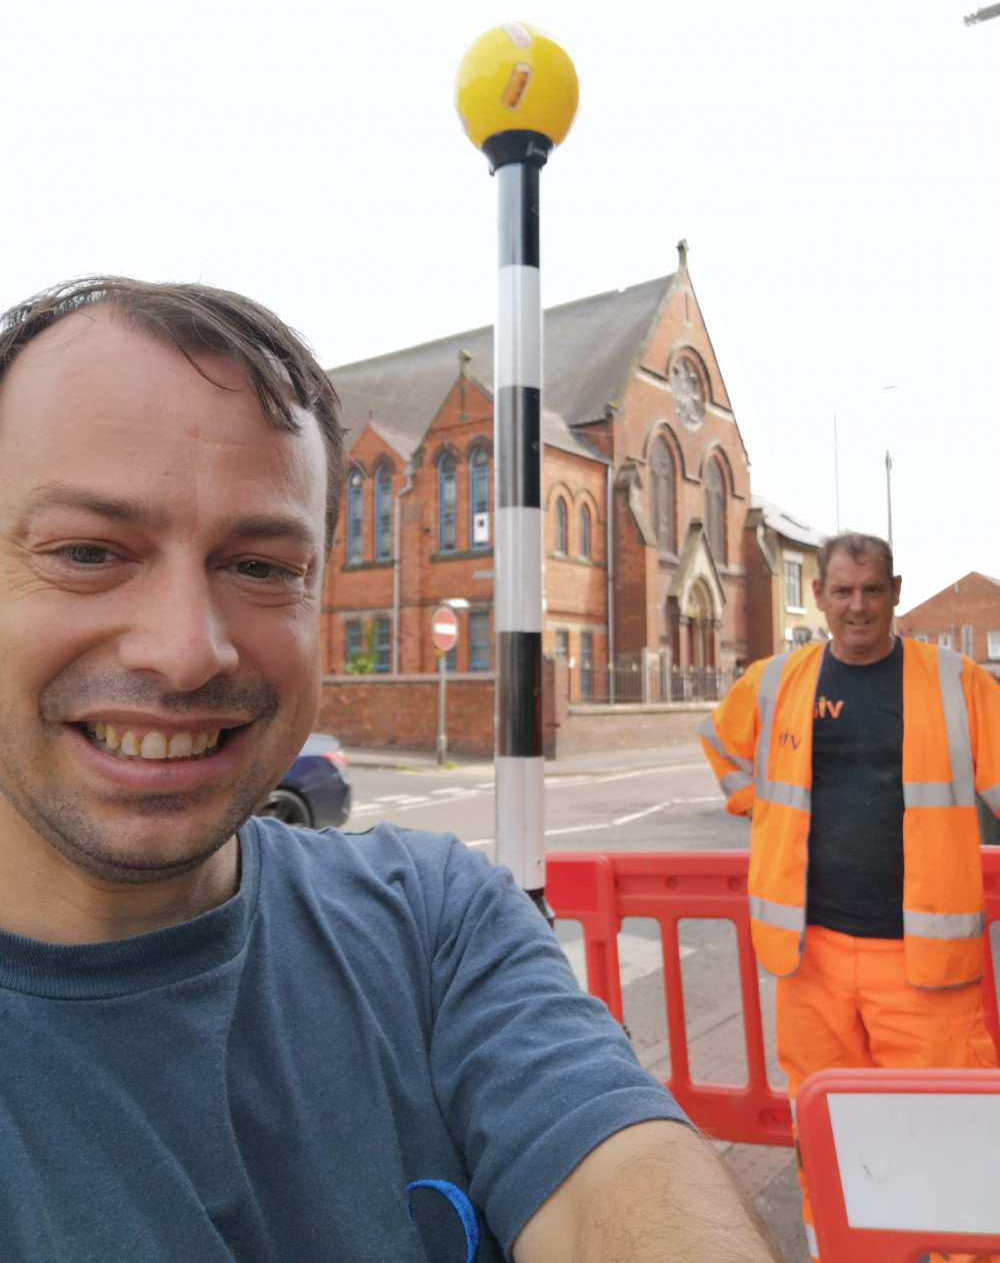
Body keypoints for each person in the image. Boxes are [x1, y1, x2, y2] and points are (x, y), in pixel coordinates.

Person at [0, 276, 779, 1263]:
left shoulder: (432, 920)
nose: (185, 649)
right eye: (88, 549)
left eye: (262, 566)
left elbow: (616, 1187)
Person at [702, 530, 1000, 1263]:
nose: (857, 605)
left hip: (924, 965)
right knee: (831, 1135)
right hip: (812, 961)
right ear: (825, 596)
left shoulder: (956, 682)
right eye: (842, 590)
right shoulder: (779, 681)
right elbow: (724, 745)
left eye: (871, 590)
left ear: (896, 592)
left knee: (951, 1136)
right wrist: (761, 809)